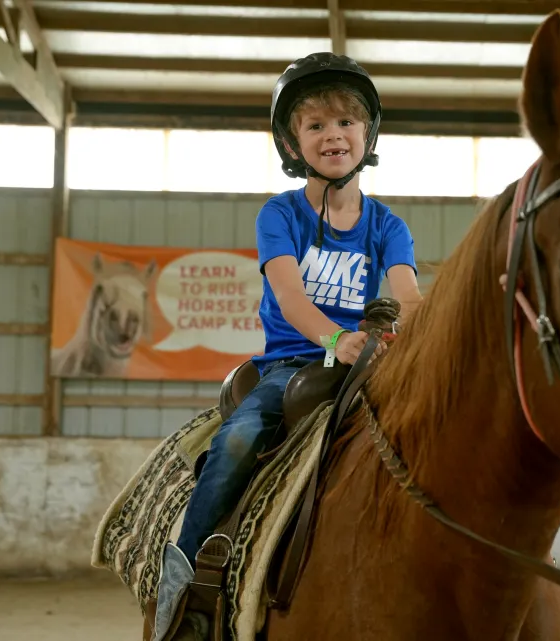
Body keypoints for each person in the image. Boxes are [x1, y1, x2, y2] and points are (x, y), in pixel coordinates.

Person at [170, 52, 423, 575]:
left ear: (367, 135)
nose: (333, 134)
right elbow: (291, 297)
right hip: (291, 365)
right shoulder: (279, 214)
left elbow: (410, 297)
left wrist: (425, 335)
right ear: (293, 144)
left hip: (361, 363)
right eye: (316, 125)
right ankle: (187, 571)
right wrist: (335, 340)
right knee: (237, 441)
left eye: (346, 121)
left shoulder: (388, 226)